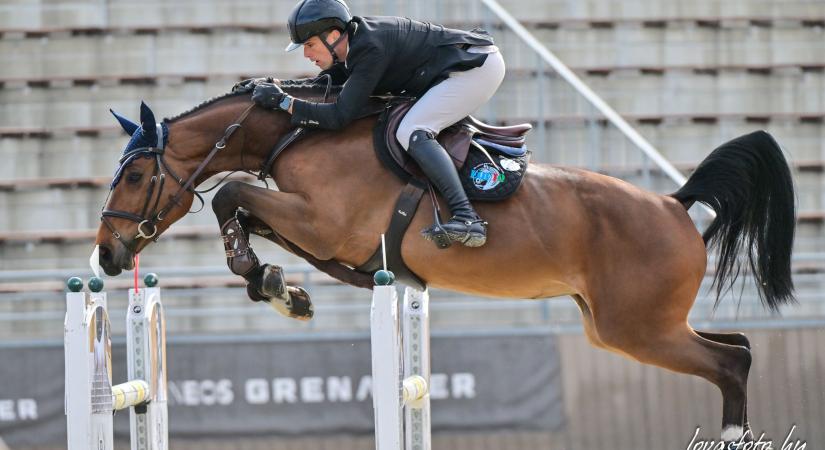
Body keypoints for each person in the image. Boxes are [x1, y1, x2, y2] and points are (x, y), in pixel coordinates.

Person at [250, 0, 506, 247]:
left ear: (333, 36)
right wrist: (274, 85)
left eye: (309, 44)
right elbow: (322, 85)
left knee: (413, 130)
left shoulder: (369, 47)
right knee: (410, 127)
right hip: (454, 68)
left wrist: (284, 103)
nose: (306, 54)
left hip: (474, 69)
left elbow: (340, 116)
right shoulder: (354, 47)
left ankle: (467, 217)